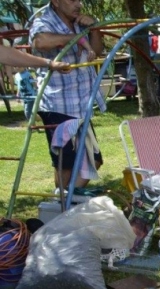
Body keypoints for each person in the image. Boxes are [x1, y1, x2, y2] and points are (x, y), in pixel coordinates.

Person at [29, 0, 105, 190]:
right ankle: (62, 205)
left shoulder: (80, 21)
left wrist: (93, 29)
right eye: (72, 0)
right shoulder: (44, 21)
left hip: (81, 105)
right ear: (55, 1)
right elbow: (40, 41)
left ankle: (66, 201)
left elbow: (96, 51)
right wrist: (75, 37)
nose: (78, 4)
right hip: (57, 104)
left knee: (94, 160)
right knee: (66, 166)